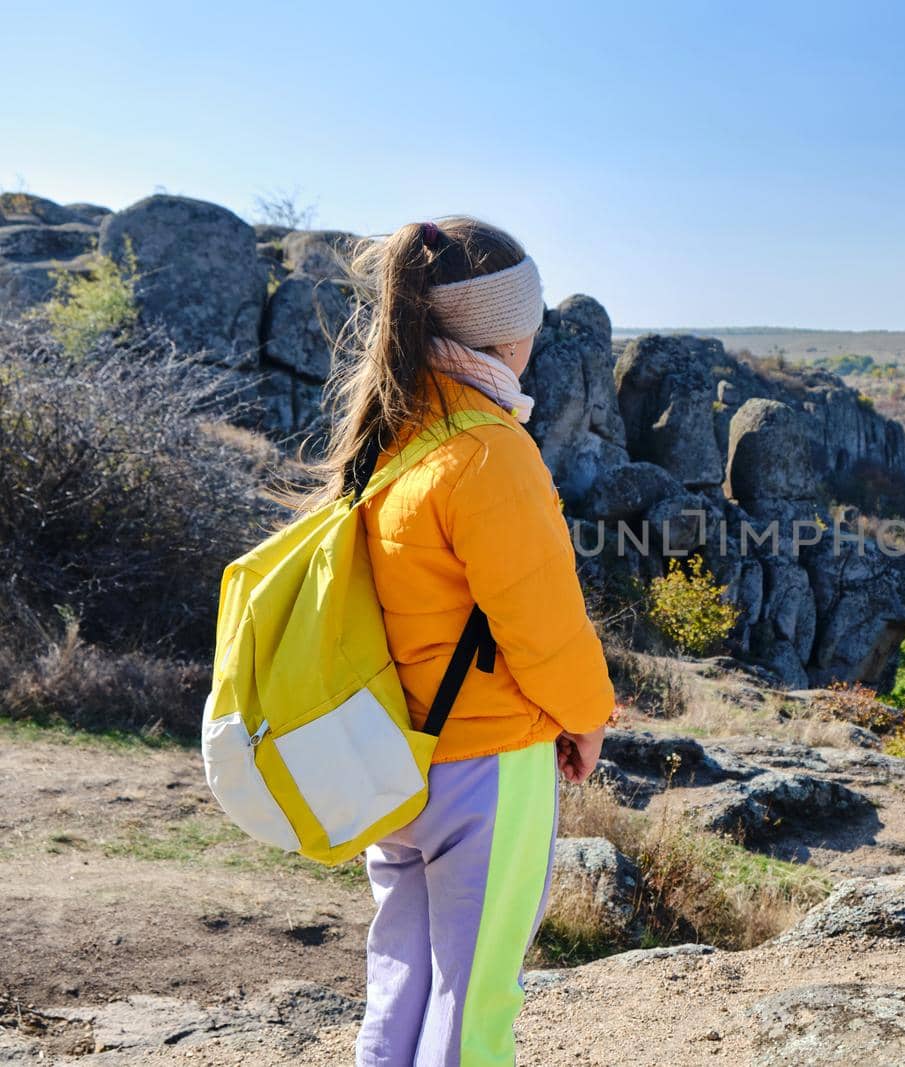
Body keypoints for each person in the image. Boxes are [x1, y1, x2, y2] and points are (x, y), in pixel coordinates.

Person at [307, 216, 613, 1066]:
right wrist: (587, 716)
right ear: (510, 330)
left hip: (397, 760)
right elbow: (543, 621)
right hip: (488, 763)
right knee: (474, 995)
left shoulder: (387, 437)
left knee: (401, 982)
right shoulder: (490, 449)